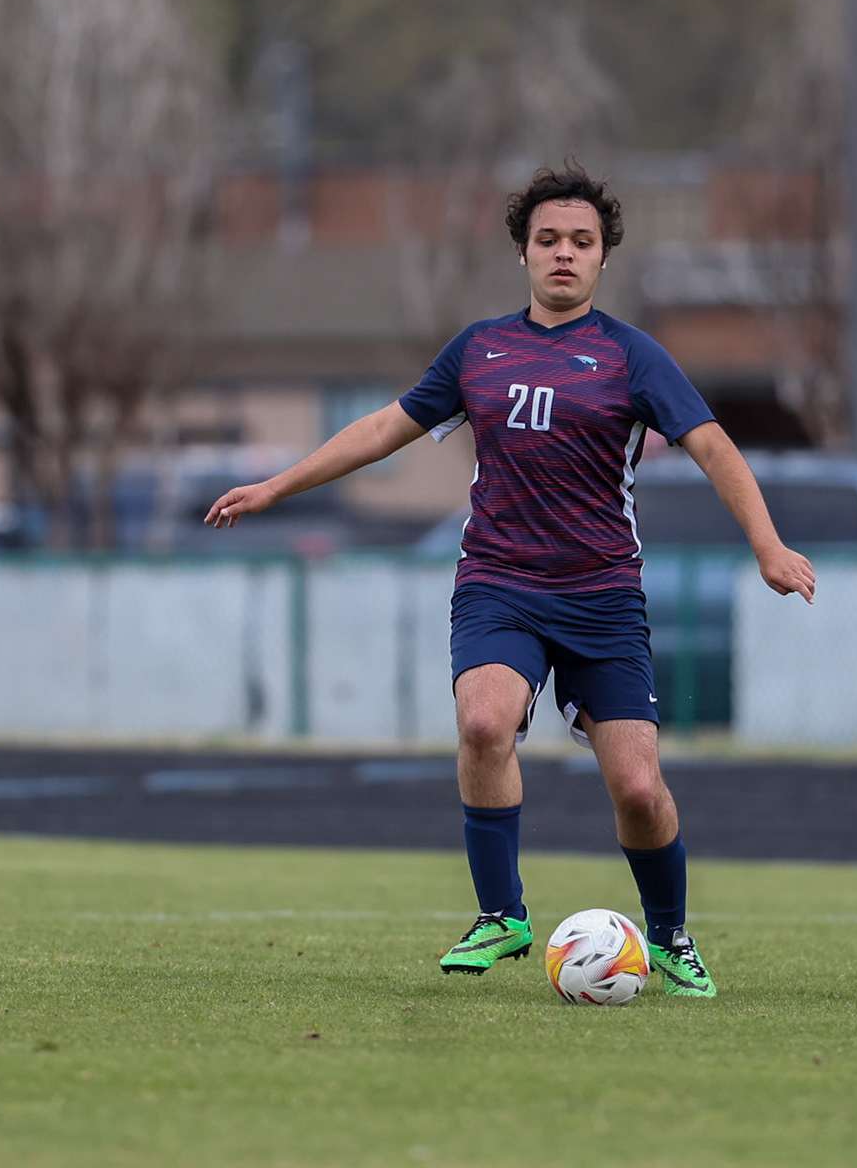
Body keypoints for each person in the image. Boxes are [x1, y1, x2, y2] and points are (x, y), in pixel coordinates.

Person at [206, 159, 816, 996]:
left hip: (603, 597)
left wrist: (768, 545)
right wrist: (277, 484)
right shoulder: (479, 349)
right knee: (486, 726)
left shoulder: (633, 357)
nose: (564, 253)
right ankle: (503, 915)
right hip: (499, 584)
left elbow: (713, 447)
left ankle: (670, 935)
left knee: (638, 789)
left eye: (582, 242)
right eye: (548, 240)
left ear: (604, 259)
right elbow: (386, 426)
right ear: (523, 254)